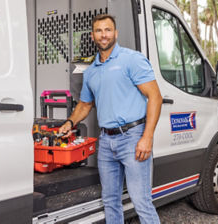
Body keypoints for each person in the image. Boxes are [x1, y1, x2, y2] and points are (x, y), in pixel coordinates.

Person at [59, 14, 162, 224]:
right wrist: (70, 123)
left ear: (115, 33)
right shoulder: (91, 73)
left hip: (133, 137)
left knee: (141, 200)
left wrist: (147, 137)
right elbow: (85, 105)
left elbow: (155, 97)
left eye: (107, 30)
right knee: (110, 200)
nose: (103, 35)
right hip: (106, 142)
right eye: (99, 31)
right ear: (92, 36)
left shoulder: (131, 59)